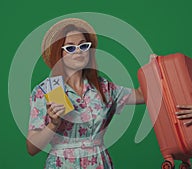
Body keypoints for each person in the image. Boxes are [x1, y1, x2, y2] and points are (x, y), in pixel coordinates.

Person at [26, 18, 145, 168]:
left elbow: (142, 94)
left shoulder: (104, 88)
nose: (78, 51)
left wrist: (154, 68)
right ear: (59, 53)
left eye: (83, 46)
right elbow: (32, 148)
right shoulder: (46, 90)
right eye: (70, 48)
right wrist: (54, 124)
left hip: (99, 163)